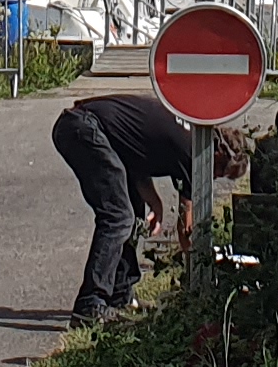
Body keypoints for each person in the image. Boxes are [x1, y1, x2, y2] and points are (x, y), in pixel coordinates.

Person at [50, 93, 242, 324]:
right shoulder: (194, 152)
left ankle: (120, 296)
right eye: (221, 171)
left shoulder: (189, 133)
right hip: (84, 129)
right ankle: (90, 305)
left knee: (133, 213)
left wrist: (155, 202)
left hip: (89, 128)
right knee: (118, 217)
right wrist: (196, 271)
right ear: (218, 152)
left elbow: (135, 154)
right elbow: (187, 227)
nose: (215, 177)